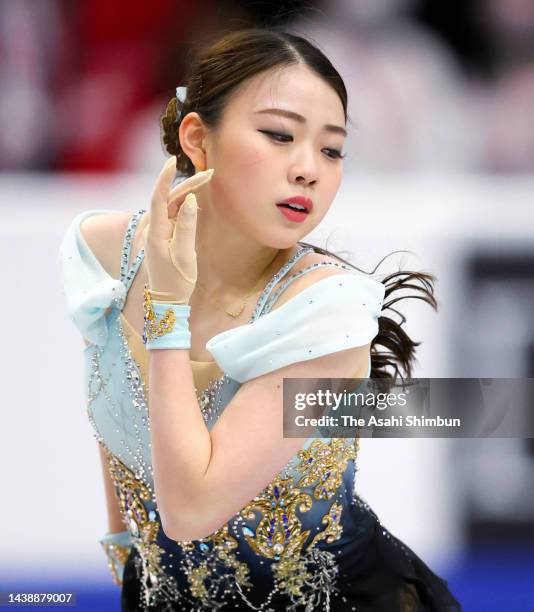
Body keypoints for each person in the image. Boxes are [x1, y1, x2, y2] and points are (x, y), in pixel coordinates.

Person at [59, 28, 461, 612]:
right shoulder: (103, 253)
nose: (308, 170)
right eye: (278, 136)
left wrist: (167, 310)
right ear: (197, 137)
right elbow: (115, 396)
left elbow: (192, 510)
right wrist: (129, 560)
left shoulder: (327, 306)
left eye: (331, 149)